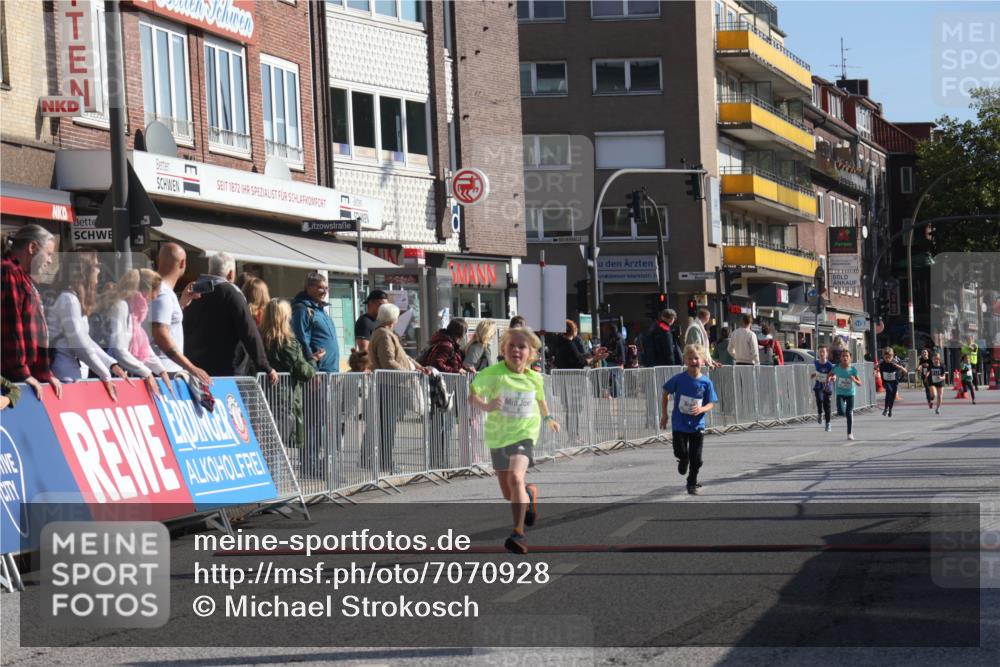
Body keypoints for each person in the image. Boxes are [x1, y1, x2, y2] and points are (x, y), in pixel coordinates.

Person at [469, 326, 560, 554]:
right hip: (499, 436)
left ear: (531, 353)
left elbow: (540, 400)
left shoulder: (535, 378)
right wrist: (487, 405)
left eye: (522, 347)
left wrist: (548, 418)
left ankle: (518, 533)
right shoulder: (493, 374)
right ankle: (529, 494)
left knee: (516, 478)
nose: (516, 350)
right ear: (503, 349)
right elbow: (473, 396)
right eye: (511, 346)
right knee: (509, 493)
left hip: (525, 434)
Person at [46, 250, 130, 400]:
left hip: (72, 374)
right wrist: (105, 374)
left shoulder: (73, 299)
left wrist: (111, 364)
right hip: (65, 375)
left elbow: (86, 341)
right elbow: (80, 344)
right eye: (96, 265)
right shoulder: (68, 299)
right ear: (84, 270)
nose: (99, 270)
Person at [183, 252, 278, 383]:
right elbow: (249, 332)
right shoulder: (231, 293)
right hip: (225, 371)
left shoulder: (193, 290)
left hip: (194, 368)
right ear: (231, 274)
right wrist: (265, 366)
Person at [1, 224, 62, 401]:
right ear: (32, 248)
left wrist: (44, 373)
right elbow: (12, 326)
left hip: (17, 378)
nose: (50, 261)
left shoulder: (21, 276)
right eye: (49, 254)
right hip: (11, 380)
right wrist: (22, 373)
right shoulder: (8, 271)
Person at [91, 268, 170, 396]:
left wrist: (161, 370)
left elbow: (144, 348)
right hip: (103, 372)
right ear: (146, 291)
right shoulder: (121, 306)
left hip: (109, 371)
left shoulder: (132, 312)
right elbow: (119, 350)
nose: (151, 301)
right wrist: (146, 372)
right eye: (152, 296)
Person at [368, 303, 426, 473]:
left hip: (390, 384)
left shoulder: (385, 333)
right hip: (389, 385)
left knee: (388, 426)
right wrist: (410, 372)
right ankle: (386, 463)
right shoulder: (384, 335)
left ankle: (386, 461)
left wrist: (418, 366)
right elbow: (389, 362)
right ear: (392, 318)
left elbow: (404, 356)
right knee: (387, 427)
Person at [659, 344, 718, 495]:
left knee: (697, 459)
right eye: (690, 358)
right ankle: (683, 460)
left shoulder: (706, 382)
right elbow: (666, 392)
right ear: (685, 360)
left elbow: (711, 402)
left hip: (697, 425)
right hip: (679, 424)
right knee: (681, 452)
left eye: (696, 358)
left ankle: (692, 482)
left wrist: (702, 409)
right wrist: (664, 415)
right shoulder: (679, 379)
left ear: (703, 360)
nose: (693, 361)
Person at [150, 243, 211, 386]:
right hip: (165, 370)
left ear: (159, 260)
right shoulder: (163, 293)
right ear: (183, 263)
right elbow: (160, 334)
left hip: (161, 368)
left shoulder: (159, 290)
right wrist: (190, 367)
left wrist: (182, 303)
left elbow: (162, 323)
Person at [259, 298, 316, 451]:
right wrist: (312, 362)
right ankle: (276, 475)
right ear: (285, 317)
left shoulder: (258, 339)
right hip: (284, 397)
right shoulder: (288, 343)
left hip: (260, 394)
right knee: (278, 444)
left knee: (266, 443)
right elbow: (304, 372)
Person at [292, 271, 341, 373]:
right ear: (308, 288)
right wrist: (312, 368)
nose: (324, 291)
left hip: (331, 371)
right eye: (320, 287)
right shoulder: (303, 310)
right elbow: (302, 341)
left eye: (326, 288)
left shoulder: (321, 310)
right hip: (318, 372)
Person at [828, 349, 862, 440]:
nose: (845, 358)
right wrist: (831, 378)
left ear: (850, 358)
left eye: (847, 356)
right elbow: (830, 374)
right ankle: (844, 409)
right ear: (840, 358)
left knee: (849, 413)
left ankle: (849, 433)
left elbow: (860, 383)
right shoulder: (837, 368)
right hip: (840, 393)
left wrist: (854, 380)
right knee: (841, 412)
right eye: (843, 356)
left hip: (850, 393)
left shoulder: (853, 370)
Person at [353, 290, 388, 354]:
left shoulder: (380, 321)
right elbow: (364, 350)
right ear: (371, 303)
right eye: (381, 305)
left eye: (386, 306)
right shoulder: (364, 322)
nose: (384, 308)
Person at [878, 346, 908, 417]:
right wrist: (875, 369)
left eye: (889, 357)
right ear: (883, 356)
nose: (888, 359)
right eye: (886, 357)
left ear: (892, 356)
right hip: (886, 382)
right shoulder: (882, 363)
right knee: (889, 391)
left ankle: (890, 410)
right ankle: (885, 409)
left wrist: (899, 367)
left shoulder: (895, 362)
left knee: (893, 395)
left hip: (894, 382)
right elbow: (875, 367)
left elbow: (905, 371)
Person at [811, 345, 834, 431]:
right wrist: (814, 374)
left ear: (826, 353)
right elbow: (818, 372)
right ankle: (820, 413)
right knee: (819, 400)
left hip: (827, 387)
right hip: (818, 385)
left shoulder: (829, 365)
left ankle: (828, 424)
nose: (821, 353)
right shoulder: (816, 362)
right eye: (820, 351)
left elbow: (833, 375)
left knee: (827, 406)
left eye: (823, 352)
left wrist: (832, 378)